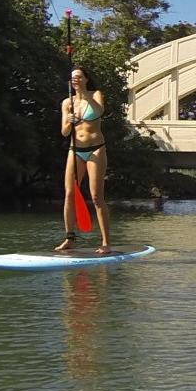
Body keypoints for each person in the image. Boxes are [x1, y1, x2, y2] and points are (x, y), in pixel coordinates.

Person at [58, 67, 112, 253]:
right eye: (73, 78)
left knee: (96, 197)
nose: (75, 80)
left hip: (96, 149)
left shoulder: (95, 94)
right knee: (70, 194)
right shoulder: (67, 103)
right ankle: (69, 238)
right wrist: (69, 121)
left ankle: (106, 243)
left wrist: (83, 95)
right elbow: (64, 132)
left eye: (79, 77)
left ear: (86, 79)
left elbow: (98, 112)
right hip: (75, 150)